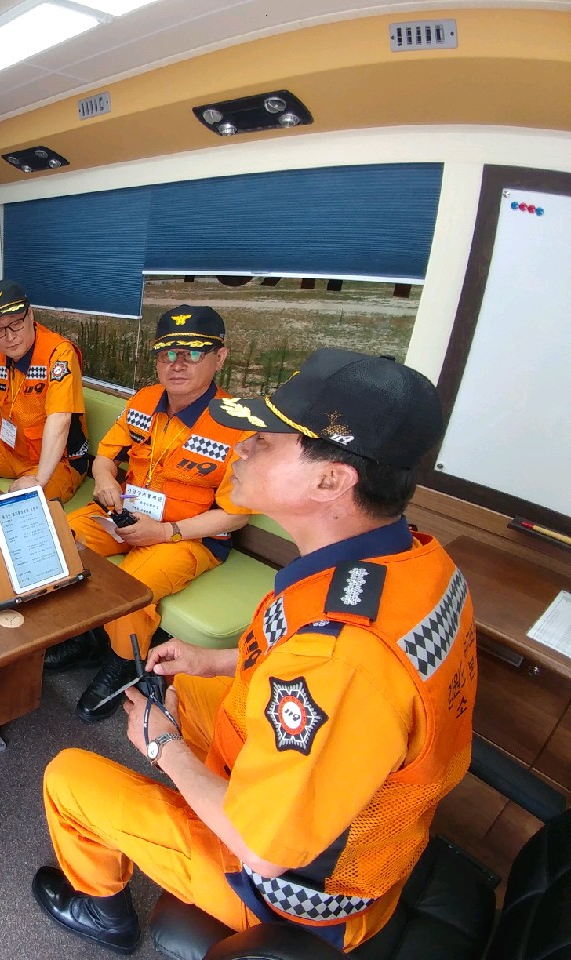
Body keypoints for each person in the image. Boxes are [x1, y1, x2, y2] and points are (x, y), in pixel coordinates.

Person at [33, 348, 476, 954]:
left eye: (264, 441)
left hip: (295, 894)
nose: (239, 448)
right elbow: (307, 669)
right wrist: (213, 660)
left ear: (331, 479)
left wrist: (164, 749)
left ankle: (102, 912)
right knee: (189, 684)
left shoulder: (343, 658)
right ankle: (187, 792)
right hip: (346, 803)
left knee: (68, 777)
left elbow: (264, 850)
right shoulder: (412, 559)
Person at [48, 306, 253, 722]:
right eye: (167, 354)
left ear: (220, 357)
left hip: (188, 535)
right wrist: (104, 480)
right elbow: (105, 456)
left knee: (131, 586)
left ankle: (123, 664)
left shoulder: (238, 424)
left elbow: (235, 516)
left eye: (192, 354)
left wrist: (166, 531)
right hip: (124, 514)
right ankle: (87, 637)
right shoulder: (143, 400)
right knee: (57, 539)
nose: (177, 364)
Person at [0, 279, 90, 503]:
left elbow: (60, 420)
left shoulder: (59, 353)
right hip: (9, 449)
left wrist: (39, 480)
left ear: (30, 315)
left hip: (56, 461)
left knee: (29, 498)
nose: (10, 338)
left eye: (16, 324)